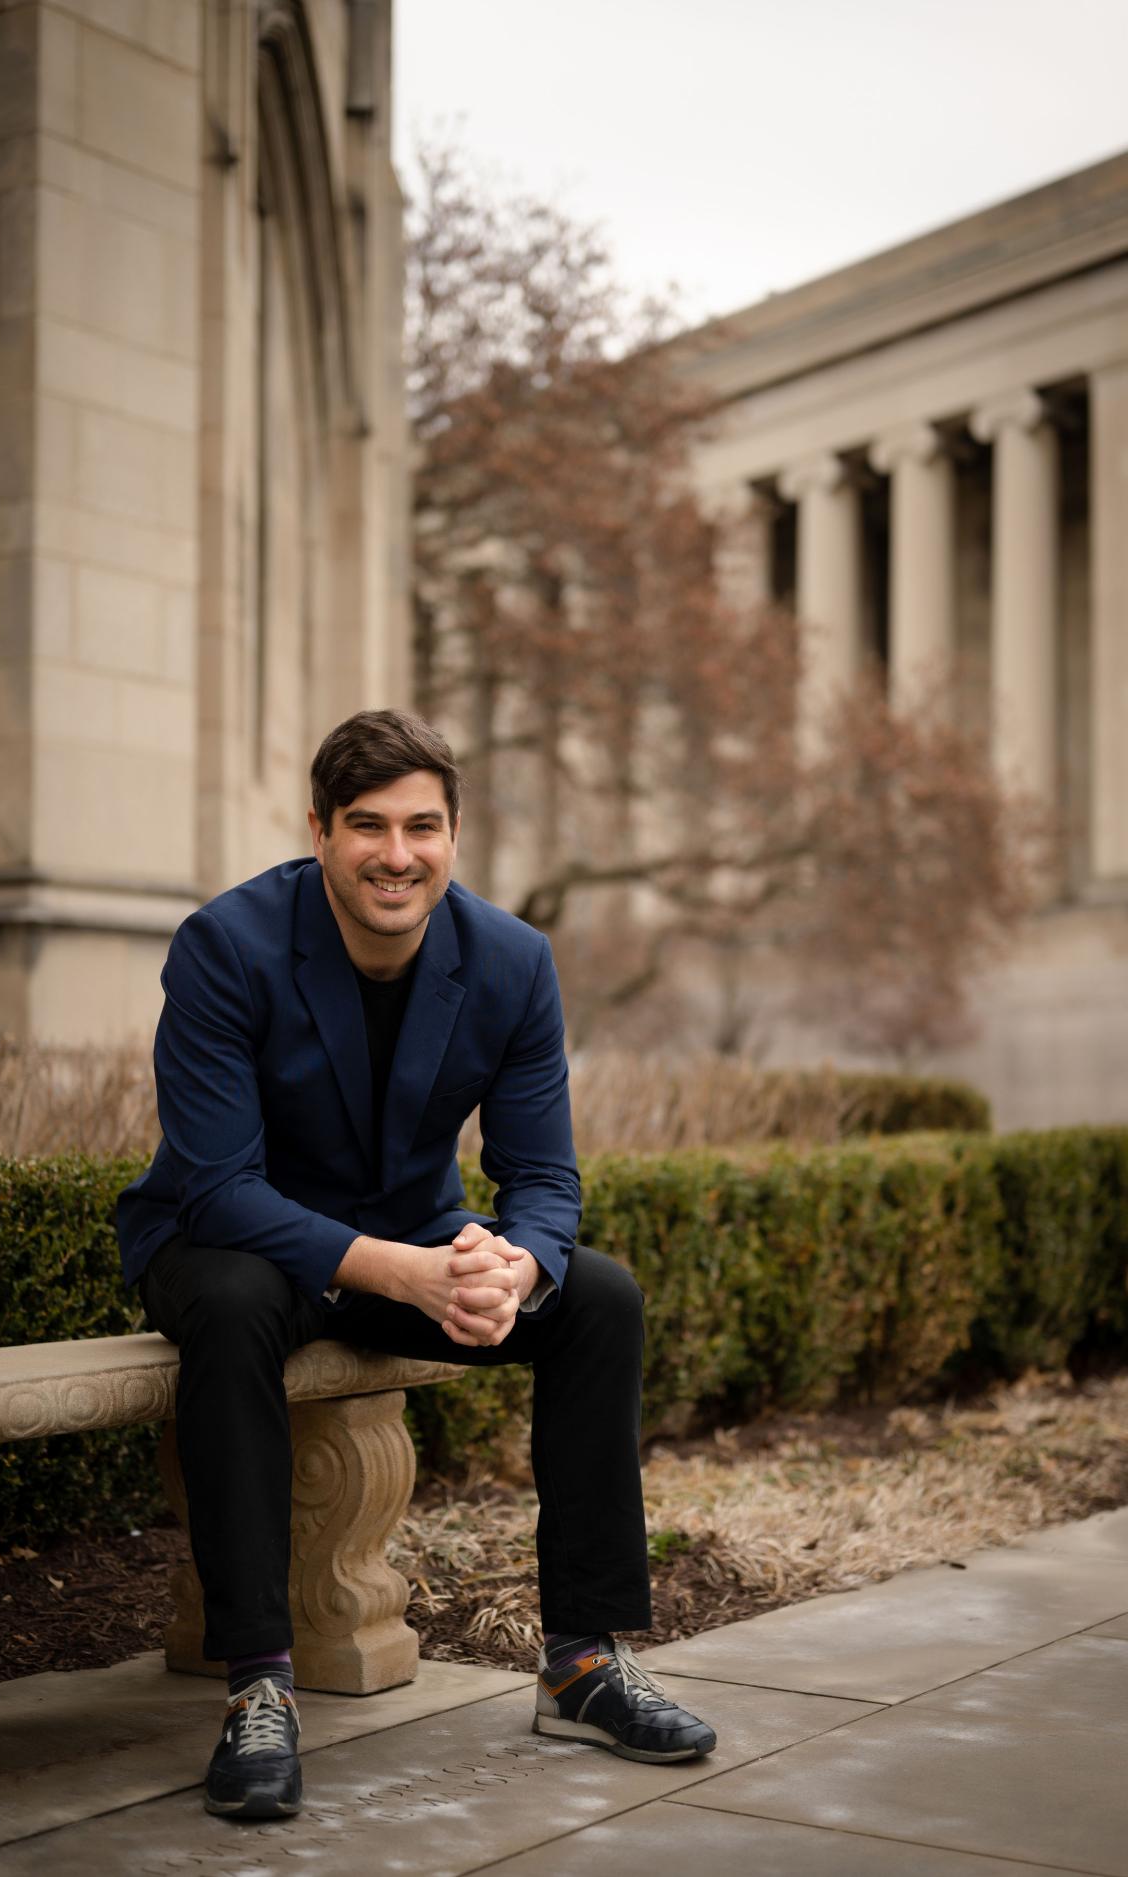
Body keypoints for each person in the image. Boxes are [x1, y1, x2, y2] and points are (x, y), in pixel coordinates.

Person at [117, 708, 715, 1819]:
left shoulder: (511, 959)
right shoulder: (226, 944)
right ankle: (259, 1685)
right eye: (367, 825)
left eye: (423, 825)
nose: (398, 853)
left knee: (601, 1296)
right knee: (240, 1298)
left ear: (455, 834)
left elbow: (544, 1176)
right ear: (319, 830)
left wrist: (517, 1265)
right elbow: (217, 1186)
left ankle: (583, 1665)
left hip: (414, 1245)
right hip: (232, 1244)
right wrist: (403, 1269)